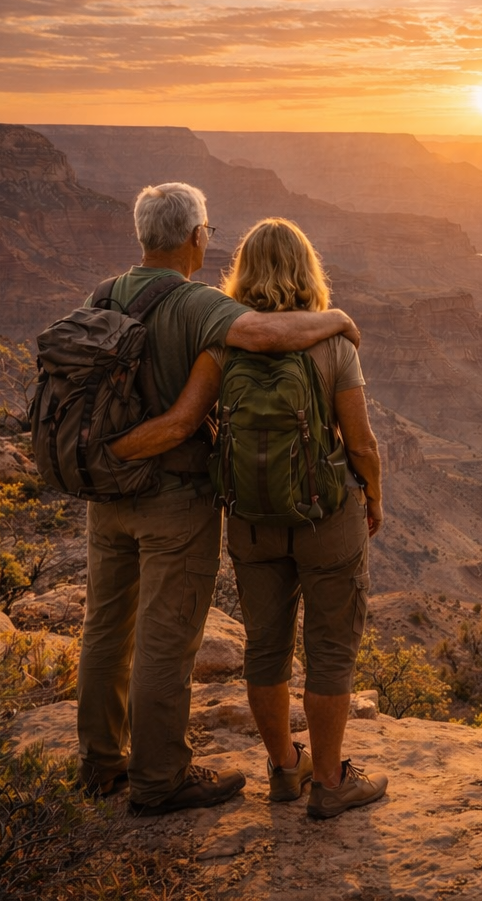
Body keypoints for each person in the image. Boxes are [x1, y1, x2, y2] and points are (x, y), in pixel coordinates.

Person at [79, 183, 361, 817]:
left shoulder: (103, 294)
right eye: (208, 231)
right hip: (170, 498)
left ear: (142, 235)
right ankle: (158, 779)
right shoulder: (197, 304)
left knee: (103, 629)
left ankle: (100, 764)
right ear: (196, 237)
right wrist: (341, 320)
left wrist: (102, 459)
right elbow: (260, 335)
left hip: (104, 496)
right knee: (163, 640)